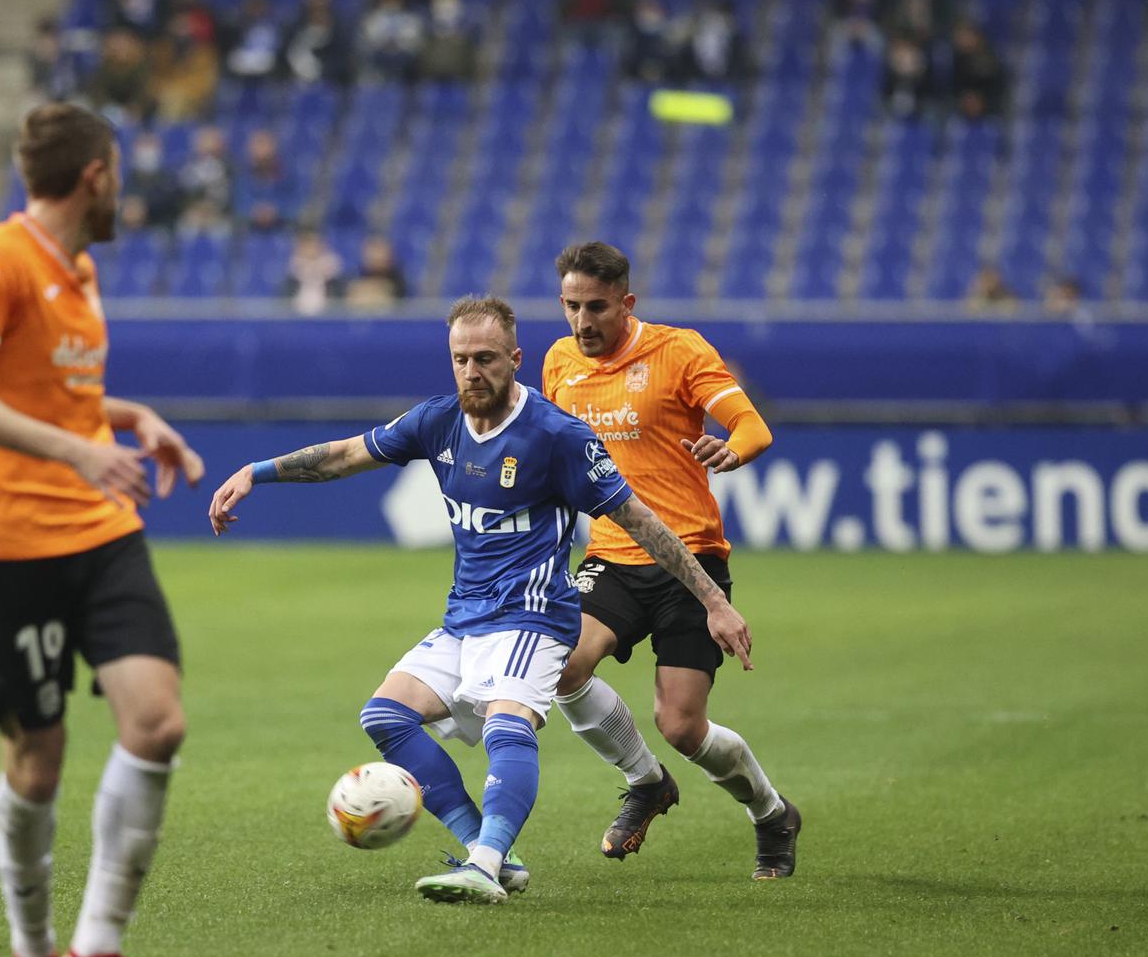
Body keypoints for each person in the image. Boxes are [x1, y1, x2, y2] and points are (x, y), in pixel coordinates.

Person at [207, 295, 755, 903]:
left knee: (506, 725)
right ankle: (488, 850)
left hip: (534, 615)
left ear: (515, 359)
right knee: (384, 716)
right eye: (461, 359)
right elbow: (346, 456)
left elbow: (641, 521)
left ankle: (486, 865)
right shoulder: (438, 421)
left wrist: (713, 601)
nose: (473, 372)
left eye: (487, 359)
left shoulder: (556, 435)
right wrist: (258, 471)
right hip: (467, 616)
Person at [0, 102, 204, 957]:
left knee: (157, 723)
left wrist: (125, 421)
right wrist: (81, 449)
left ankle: (97, 949)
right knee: (36, 765)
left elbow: (56, 395)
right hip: (6, 546)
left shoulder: (79, 272)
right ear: (94, 175)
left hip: (99, 532)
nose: (121, 187)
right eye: (117, 171)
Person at [538, 243, 799, 876]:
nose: (582, 322)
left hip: (691, 560)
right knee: (562, 667)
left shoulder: (679, 351)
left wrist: (733, 453)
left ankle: (770, 812)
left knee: (682, 726)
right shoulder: (559, 362)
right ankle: (645, 780)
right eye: (571, 307)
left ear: (626, 303)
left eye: (596, 307)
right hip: (612, 555)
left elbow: (753, 427)